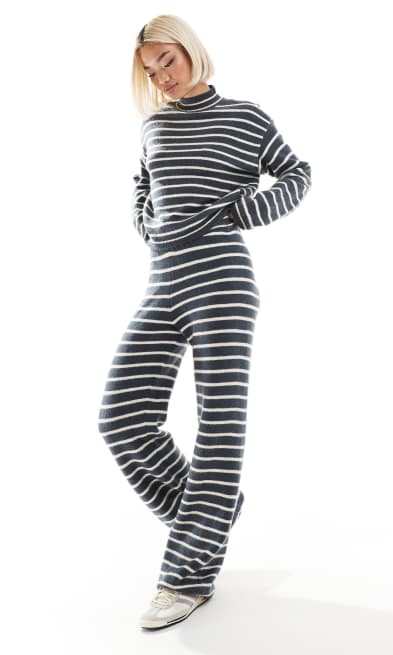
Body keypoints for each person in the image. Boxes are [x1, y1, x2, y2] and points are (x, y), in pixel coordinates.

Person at [97, 13, 312, 631]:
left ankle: (186, 578)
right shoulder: (154, 126)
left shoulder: (245, 118)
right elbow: (143, 185)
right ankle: (215, 515)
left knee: (218, 432)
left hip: (222, 283)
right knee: (120, 419)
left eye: (167, 60)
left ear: (190, 50)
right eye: (149, 70)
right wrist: (145, 222)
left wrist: (243, 211)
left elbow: (297, 173)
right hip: (163, 283)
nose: (160, 77)